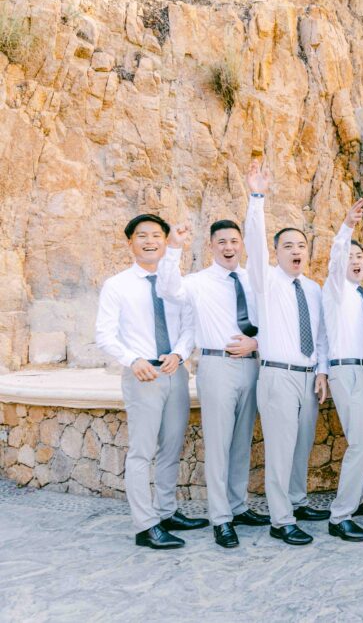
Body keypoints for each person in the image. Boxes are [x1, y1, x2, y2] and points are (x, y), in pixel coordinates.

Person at [156, 218, 269, 549]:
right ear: (211, 246)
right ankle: (221, 518)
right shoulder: (197, 282)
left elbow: (272, 320)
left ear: (241, 244)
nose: (229, 247)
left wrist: (257, 343)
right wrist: (173, 247)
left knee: (241, 441)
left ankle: (238, 506)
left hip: (251, 365)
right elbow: (166, 288)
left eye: (234, 241)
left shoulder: (254, 280)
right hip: (217, 365)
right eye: (222, 242)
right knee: (219, 444)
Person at [95, 213, 207, 549]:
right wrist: (133, 360)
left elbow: (190, 325)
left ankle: (167, 511)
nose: (149, 241)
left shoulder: (178, 283)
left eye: (156, 235)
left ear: (165, 240)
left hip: (175, 371)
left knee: (172, 447)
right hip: (142, 375)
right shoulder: (117, 285)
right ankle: (146, 526)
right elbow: (104, 334)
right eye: (141, 236)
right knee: (142, 452)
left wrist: (180, 352)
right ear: (130, 243)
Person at [243, 161, 330, 545]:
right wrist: (257, 198)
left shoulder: (312, 288)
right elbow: (255, 244)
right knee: (279, 448)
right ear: (276, 252)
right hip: (277, 375)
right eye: (288, 246)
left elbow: (323, 335)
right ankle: (281, 519)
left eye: (301, 246)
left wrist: (323, 372)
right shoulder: (266, 283)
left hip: (310, 378)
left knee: (301, 445)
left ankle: (297, 500)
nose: (296, 251)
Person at [322, 198, 363, 542]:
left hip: (362, 371)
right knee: (361, 443)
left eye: (360, 257)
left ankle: (355, 499)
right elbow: (336, 259)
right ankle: (340, 515)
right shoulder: (335, 289)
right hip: (345, 371)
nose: (355, 261)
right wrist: (346, 227)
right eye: (351, 256)